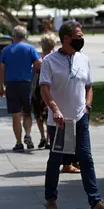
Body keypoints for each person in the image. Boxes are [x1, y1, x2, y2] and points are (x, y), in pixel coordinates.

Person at [40, 21, 104, 209]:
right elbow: (44, 89)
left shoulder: (84, 59)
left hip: (80, 118)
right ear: (66, 39)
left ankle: (96, 202)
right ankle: (51, 198)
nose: (82, 40)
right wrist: (55, 110)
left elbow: (89, 86)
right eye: (78, 37)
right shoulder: (49, 61)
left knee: (86, 158)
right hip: (59, 122)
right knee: (56, 159)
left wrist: (87, 107)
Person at [32, 33, 80, 172]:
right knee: (63, 130)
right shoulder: (53, 58)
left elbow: (34, 74)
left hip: (41, 94)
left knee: (44, 118)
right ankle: (67, 161)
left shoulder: (40, 59)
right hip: (54, 95)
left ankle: (45, 138)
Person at [0, 25, 42, 152]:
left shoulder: (6, 50)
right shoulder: (30, 48)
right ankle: (27, 134)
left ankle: (18, 142)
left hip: (11, 84)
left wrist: (1, 86)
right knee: (27, 112)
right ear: (25, 36)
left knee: (16, 115)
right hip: (26, 84)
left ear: (13, 36)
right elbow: (39, 64)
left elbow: (2, 69)